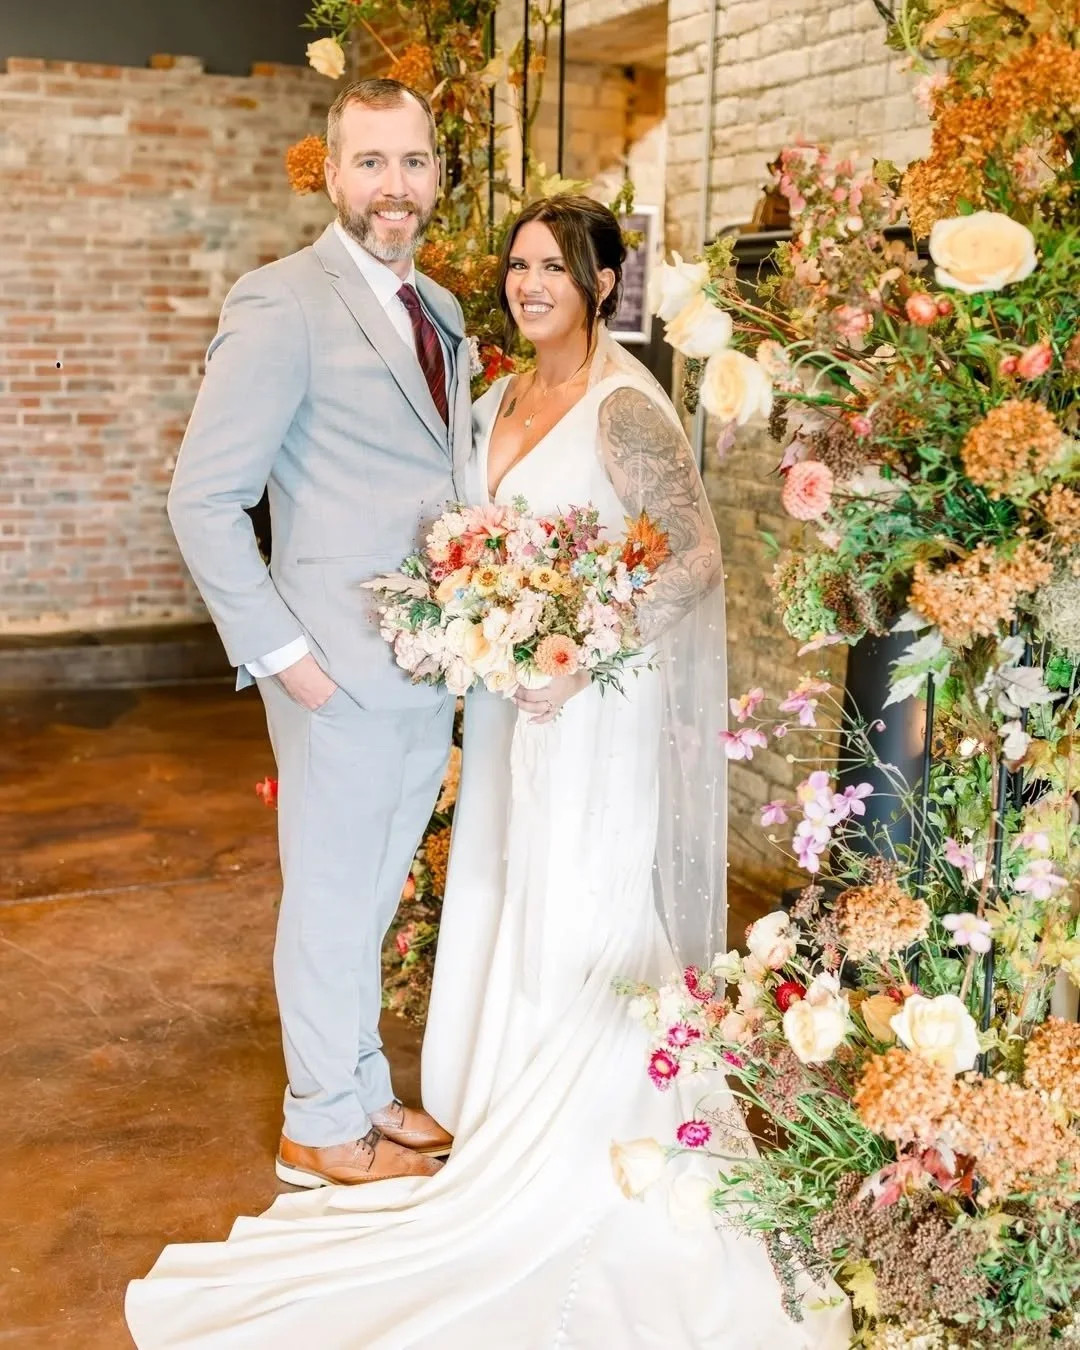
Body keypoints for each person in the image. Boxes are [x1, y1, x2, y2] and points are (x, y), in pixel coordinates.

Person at [126, 196, 852, 1348]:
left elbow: (694, 556)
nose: (530, 284)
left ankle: (572, 1125)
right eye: (519, 265)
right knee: (505, 880)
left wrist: (579, 654)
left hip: (587, 709)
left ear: (602, 285)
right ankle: (488, 1098)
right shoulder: (493, 395)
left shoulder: (625, 406)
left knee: (576, 894)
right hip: (509, 705)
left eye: (556, 266)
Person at [161, 77, 473, 1190]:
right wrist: (290, 661)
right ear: (332, 172)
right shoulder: (280, 302)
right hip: (333, 669)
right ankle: (317, 1126)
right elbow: (203, 499)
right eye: (372, 161)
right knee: (331, 898)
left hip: (429, 664)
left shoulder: (441, 310)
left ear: (435, 173)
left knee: (371, 898)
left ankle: (362, 1090)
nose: (396, 185)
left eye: (414, 161)